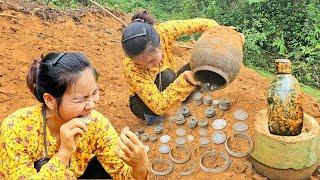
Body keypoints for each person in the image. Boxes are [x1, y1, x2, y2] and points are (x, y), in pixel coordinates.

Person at [0, 52, 149, 179]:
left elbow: (123, 175)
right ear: (50, 100)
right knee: (41, 165)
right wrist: (63, 153)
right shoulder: (16, 129)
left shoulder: (97, 124)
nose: (92, 105)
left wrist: (140, 166)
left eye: (94, 93)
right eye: (81, 99)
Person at [121, 10, 219, 122]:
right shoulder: (131, 67)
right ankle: (151, 117)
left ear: (159, 45)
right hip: (142, 103)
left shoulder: (164, 31)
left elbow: (204, 23)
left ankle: (187, 102)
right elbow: (158, 106)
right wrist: (185, 81)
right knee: (168, 76)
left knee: (193, 67)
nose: (148, 67)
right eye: (140, 64)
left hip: (164, 81)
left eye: (152, 60)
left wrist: (221, 33)